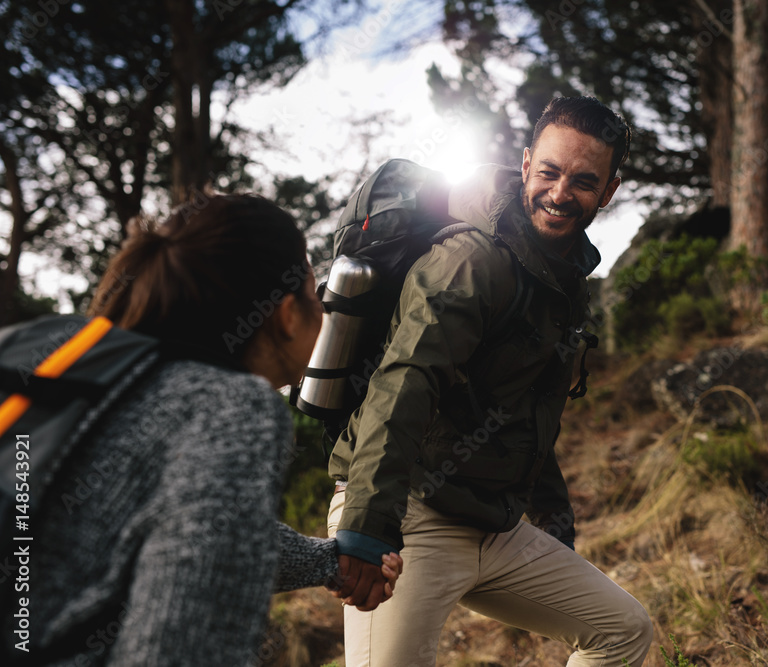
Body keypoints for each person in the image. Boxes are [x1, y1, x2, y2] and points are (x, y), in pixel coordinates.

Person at [5, 194, 401, 666]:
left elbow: (197, 528)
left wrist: (328, 562)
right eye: (315, 297)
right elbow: (183, 646)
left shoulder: (47, 345)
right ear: (285, 315)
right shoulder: (229, 406)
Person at [327, 96, 655, 665]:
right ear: (526, 164)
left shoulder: (566, 276)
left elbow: (533, 409)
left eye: (583, 181)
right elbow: (405, 382)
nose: (559, 194)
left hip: (493, 525)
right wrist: (366, 527)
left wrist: (554, 529)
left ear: (609, 190)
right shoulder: (470, 259)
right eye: (549, 172)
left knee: (622, 629)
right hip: (409, 514)